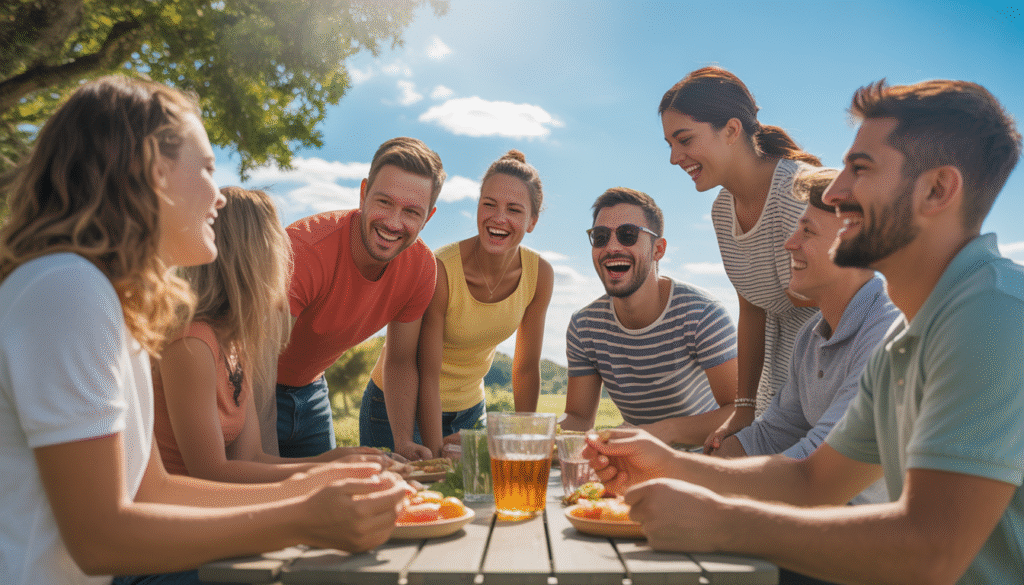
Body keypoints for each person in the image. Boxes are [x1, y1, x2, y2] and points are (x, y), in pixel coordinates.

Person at [587, 78, 1023, 584]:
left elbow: (930, 553)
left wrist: (720, 521)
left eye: (860, 170)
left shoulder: (992, 312)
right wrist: (668, 464)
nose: (835, 191)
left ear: (936, 190)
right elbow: (811, 479)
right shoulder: (907, 337)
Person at [0, 76, 407, 585]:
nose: (219, 197)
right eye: (209, 170)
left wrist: (320, 482)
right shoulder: (68, 288)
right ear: (152, 170)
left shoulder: (103, 298)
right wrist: (303, 516)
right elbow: (100, 539)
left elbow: (156, 492)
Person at [153, 186, 402, 486]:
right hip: (186, 517)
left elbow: (252, 459)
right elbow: (211, 472)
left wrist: (335, 459)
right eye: (279, 247)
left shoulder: (235, 343)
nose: (287, 261)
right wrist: (327, 472)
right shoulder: (192, 344)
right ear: (255, 258)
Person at [709, 168, 898, 506]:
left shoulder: (886, 335)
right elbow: (767, 438)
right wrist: (672, 469)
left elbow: (815, 466)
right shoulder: (809, 340)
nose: (790, 242)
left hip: (867, 540)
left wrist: (685, 477)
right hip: (815, 529)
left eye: (807, 232)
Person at [660, 66, 822, 445]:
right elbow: (751, 307)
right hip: (777, 380)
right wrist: (744, 406)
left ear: (732, 130)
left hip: (826, 368)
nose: (674, 157)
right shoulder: (721, 211)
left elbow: (842, 293)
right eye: (669, 144)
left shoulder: (793, 190)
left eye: (684, 140)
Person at [362, 150, 554, 456]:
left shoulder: (539, 275)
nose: (498, 218)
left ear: (532, 221)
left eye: (514, 210)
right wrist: (436, 450)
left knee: (474, 499)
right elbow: (427, 370)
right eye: (488, 204)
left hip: (470, 411)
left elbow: (526, 368)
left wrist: (526, 440)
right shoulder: (441, 268)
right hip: (399, 405)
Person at [276, 137, 445, 461]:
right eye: (384, 202)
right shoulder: (303, 251)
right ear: (364, 192)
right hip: (253, 383)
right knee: (265, 496)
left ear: (429, 216)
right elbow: (258, 362)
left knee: (326, 507)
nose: (394, 223)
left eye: (411, 212)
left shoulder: (421, 269)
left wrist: (403, 441)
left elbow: (399, 360)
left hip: (311, 391)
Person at [560, 187, 738, 446]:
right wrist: (536, 436)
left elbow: (740, 411)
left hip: (706, 463)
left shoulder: (703, 314)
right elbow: (578, 419)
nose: (611, 247)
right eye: (600, 237)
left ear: (658, 249)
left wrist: (656, 434)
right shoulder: (584, 327)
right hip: (639, 464)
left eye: (627, 235)